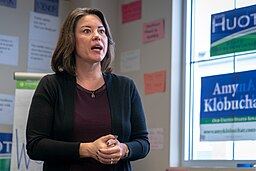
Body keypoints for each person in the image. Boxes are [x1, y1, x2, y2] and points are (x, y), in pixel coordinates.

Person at [26, 7, 150, 171]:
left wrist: (123, 149)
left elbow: (142, 142)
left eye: (102, 31)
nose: (97, 36)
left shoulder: (126, 87)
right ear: (71, 40)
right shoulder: (51, 85)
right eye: (86, 31)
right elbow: (35, 145)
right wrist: (87, 149)